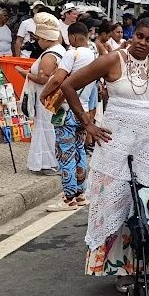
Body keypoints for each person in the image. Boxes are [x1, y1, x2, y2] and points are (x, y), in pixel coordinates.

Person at [60, 17, 149, 292]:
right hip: (116, 145)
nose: (143, 43)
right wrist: (87, 123)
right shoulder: (113, 59)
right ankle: (121, 270)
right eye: (139, 36)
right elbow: (69, 85)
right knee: (118, 204)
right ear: (132, 34)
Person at [41, 22, 97, 211]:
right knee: (80, 150)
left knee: (65, 153)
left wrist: (44, 94)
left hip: (66, 110)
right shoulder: (94, 55)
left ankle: (68, 198)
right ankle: (80, 194)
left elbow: (57, 78)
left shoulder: (72, 54)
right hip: (84, 111)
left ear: (73, 37)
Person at [17, 13, 66, 175]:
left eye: (38, 38)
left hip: (45, 97)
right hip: (55, 97)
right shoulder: (60, 50)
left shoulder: (49, 56)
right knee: (51, 127)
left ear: (45, 39)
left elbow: (42, 79)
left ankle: (46, 163)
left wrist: (25, 74)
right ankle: (51, 161)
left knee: (45, 128)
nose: (37, 41)